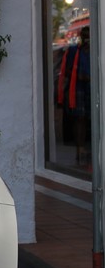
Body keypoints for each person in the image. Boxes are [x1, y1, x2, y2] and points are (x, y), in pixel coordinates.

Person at [57, 26, 91, 164]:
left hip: (92, 86)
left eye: (88, 35)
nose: (86, 38)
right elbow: (66, 70)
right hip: (78, 88)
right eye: (84, 35)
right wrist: (79, 76)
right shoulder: (74, 51)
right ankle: (80, 147)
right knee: (80, 118)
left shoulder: (96, 50)